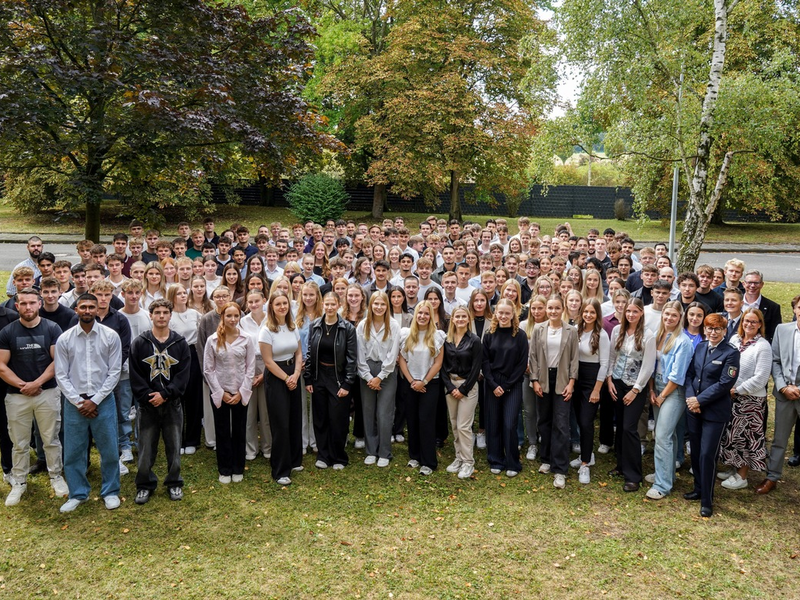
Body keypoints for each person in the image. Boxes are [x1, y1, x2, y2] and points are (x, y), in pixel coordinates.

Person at [54, 293, 123, 512]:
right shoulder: (65, 339)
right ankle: (78, 493)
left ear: (97, 309)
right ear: (76, 309)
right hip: (75, 403)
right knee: (74, 451)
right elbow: (61, 375)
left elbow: (115, 372)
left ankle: (110, 491)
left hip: (103, 400)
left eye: (91, 307)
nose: (87, 311)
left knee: (110, 449)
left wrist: (95, 401)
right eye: (83, 307)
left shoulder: (110, 336)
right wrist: (79, 402)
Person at [0, 289, 68, 507]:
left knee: (50, 438)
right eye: (23, 303)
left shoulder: (52, 328)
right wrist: (23, 386)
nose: (27, 307)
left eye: (31, 303)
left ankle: (56, 476)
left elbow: (57, 361)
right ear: (16, 305)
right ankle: (19, 481)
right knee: (18, 442)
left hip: (46, 392)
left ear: (39, 304)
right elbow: (1, 366)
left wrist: (37, 383)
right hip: (16, 396)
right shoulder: (7, 332)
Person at [129, 299, 191, 504]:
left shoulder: (180, 343)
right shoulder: (140, 342)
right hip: (147, 406)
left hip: (172, 404)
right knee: (146, 448)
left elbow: (183, 375)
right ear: (151, 315)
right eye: (158, 312)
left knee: (174, 446)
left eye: (165, 312)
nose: (162, 316)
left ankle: (174, 482)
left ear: (170, 315)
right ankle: (145, 484)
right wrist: (149, 396)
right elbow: (135, 374)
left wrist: (166, 394)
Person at [683, 313, 739, 518]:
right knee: (696, 451)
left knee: (708, 454)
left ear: (724, 331)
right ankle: (698, 489)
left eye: (717, 329)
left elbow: (725, 383)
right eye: (709, 328)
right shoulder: (700, 347)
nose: (712, 332)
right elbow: (690, 375)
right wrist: (691, 399)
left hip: (714, 412)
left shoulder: (731, 353)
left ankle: (707, 499)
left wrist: (700, 400)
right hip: (694, 409)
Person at [716, 308, 770, 491]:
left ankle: (742, 476)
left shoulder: (762, 346)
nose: (749, 324)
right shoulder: (734, 340)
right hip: (731, 396)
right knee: (732, 435)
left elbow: (761, 378)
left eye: (754, 322)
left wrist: (737, 390)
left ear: (760, 324)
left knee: (745, 438)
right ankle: (734, 467)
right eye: (746, 320)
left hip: (750, 400)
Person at [645, 301, 693, 500]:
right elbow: (650, 364)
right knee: (669, 436)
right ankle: (666, 474)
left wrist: (663, 395)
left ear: (680, 317)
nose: (669, 319)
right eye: (666, 315)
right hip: (656, 388)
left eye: (674, 315)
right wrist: (651, 390)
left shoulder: (683, 342)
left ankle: (662, 485)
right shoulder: (657, 336)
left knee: (662, 436)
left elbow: (677, 375)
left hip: (672, 391)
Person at [607, 298, 656, 493]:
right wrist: (609, 379)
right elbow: (612, 356)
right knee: (619, 426)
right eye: (628, 311)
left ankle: (633, 475)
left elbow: (648, 365)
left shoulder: (648, 335)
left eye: (635, 311)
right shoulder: (617, 330)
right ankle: (621, 465)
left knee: (629, 428)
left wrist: (636, 389)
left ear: (641, 313)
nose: (630, 315)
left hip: (635, 386)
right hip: (616, 383)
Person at [528, 295, 578, 487]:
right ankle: (546, 459)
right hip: (543, 379)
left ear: (562, 309)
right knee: (544, 420)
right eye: (550, 308)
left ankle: (560, 468)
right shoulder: (539, 329)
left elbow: (574, 359)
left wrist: (571, 383)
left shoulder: (571, 331)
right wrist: (534, 380)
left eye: (557, 308)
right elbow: (532, 357)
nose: (553, 311)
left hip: (563, 379)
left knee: (561, 423)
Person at [203, 302, 255, 484]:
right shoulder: (212, 340)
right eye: (229, 316)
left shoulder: (247, 339)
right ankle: (224, 468)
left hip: (241, 392)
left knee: (239, 430)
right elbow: (208, 369)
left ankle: (238, 467)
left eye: (236, 316)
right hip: (221, 391)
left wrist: (242, 391)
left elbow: (250, 368)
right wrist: (220, 391)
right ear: (222, 317)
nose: (233, 320)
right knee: (223, 430)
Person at [304, 293, 357, 470]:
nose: (329, 307)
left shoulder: (347, 328)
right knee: (320, 417)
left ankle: (338, 457)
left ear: (339, 304)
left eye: (333, 304)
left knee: (338, 419)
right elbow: (310, 353)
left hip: (338, 377)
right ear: (323, 304)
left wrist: (348, 383)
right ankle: (323, 455)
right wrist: (309, 378)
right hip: (319, 376)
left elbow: (351, 357)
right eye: (327, 304)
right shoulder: (315, 325)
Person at [755, 295, 800, 496]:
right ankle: (772, 477)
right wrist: (783, 387)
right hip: (785, 393)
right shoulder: (783, 330)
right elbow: (775, 360)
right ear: (795, 309)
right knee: (779, 439)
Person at [259, 291, 304, 486]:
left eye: (285, 303)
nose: (282, 307)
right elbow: (268, 362)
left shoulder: (293, 327)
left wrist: (295, 374)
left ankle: (294, 460)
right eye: (278, 304)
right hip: (277, 377)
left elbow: (299, 353)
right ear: (272, 307)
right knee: (281, 423)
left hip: (293, 374)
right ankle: (280, 469)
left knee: (294, 418)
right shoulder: (266, 330)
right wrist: (287, 378)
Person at [483, 299, 530, 478]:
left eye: (507, 313)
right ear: (496, 314)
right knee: (493, 423)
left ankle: (512, 462)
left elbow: (521, 364)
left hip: (512, 384)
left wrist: (507, 385)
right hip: (493, 383)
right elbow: (485, 362)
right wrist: (494, 384)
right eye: (500, 313)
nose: (503, 316)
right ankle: (496, 459)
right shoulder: (489, 334)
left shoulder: (520, 336)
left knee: (510, 424)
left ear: (513, 315)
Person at [398, 301, 446, 476]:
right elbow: (401, 359)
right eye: (420, 313)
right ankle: (415, 456)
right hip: (411, 382)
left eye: (426, 314)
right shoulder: (407, 335)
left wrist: (423, 382)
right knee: (412, 420)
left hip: (429, 384)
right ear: (415, 315)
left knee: (426, 421)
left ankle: (429, 461)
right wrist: (412, 381)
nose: (422, 316)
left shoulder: (437, 336)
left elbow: (438, 363)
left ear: (431, 316)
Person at [357, 292, 401, 468]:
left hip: (387, 372)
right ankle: (371, 451)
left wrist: (380, 377)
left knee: (384, 413)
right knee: (368, 412)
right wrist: (368, 376)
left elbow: (393, 353)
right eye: (376, 304)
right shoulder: (362, 325)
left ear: (387, 306)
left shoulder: (394, 325)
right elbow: (359, 354)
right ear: (371, 305)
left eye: (382, 304)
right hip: (367, 371)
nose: (379, 307)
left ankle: (384, 452)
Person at [572, 298, 610, 485]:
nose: (588, 315)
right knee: (579, 420)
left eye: (592, 312)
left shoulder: (601, 335)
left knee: (587, 422)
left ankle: (585, 464)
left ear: (597, 315)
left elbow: (604, 364)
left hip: (591, 380)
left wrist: (597, 389)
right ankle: (587, 454)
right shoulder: (575, 330)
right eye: (585, 312)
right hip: (575, 378)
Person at [441, 306, 482, 479]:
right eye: (457, 316)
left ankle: (468, 462)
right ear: (453, 319)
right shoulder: (447, 339)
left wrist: (463, 389)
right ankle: (458, 457)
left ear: (468, 319)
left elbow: (476, 368)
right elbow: (442, 366)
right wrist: (451, 388)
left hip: (468, 387)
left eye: (463, 316)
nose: (459, 319)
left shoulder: (474, 340)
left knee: (464, 426)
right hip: (450, 385)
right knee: (454, 424)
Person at [165, 283, 203, 454]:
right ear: (172, 296)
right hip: (174, 355)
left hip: (192, 353)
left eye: (184, 293)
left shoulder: (195, 314)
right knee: (176, 397)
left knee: (194, 397)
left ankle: (193, 439)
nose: (182, 295)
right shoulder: (168, 316)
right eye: (178, 293)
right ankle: (177, 438)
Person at [240, 290, 272, 462]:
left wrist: (265, 372)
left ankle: (268, 447)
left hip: (268, 364)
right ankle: (250, 448)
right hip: (248, 365)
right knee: (250, 411)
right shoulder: (243, 322)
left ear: (264, 300)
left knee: (266, 411)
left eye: (257, 301)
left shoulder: (271, 319)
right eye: (250, 302)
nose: (253, 305)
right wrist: (249, 374)